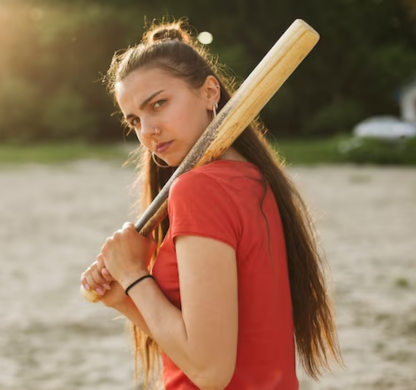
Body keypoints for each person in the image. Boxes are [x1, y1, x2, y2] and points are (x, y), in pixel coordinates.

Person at [81, 21, 342, 390]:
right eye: (135, 120)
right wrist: (126, 296)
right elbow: (205, 341)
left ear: (209, 92)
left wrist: (134, 275)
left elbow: (209, 371)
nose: (147, 130)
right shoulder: (253, 179)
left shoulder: (198, 189)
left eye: (158, 104)